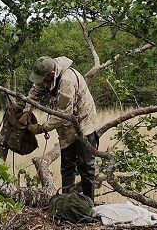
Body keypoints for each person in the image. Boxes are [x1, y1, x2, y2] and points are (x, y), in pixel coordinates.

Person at [22, 56, 100, 201]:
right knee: (67, 167)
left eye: (42, 78)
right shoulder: (49, 73)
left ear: (51, 74)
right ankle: (67, 203)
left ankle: (89, 205)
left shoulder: (67, 81)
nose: (40, 81)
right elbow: (35, 90)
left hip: (84, 125)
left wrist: (41, 128)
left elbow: (63, 114)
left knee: (86, 168)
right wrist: (27, 110)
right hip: (65, 129)